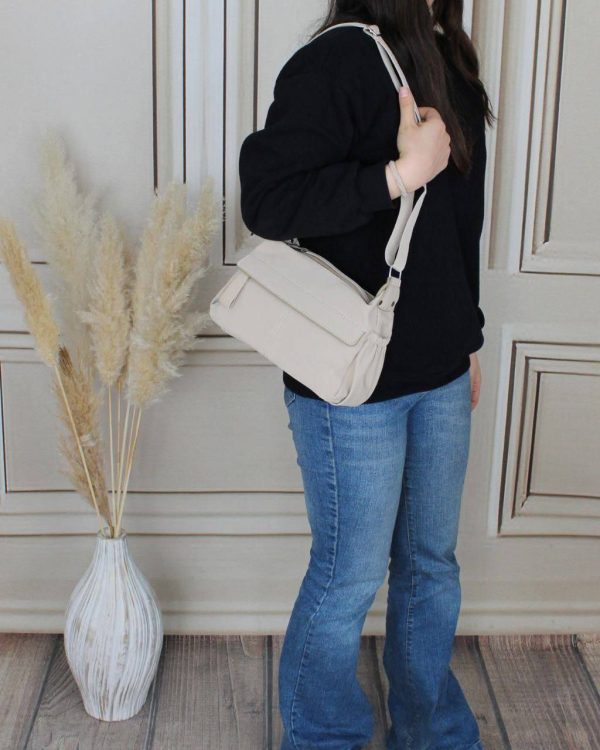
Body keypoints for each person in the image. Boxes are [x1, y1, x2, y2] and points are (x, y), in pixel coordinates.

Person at [239, 1, 495, 748]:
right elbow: (268, 201)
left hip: (439, 371)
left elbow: (458, 223)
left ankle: (431, 729)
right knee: (349, 575)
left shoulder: (449, 62)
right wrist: (398, 174)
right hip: (350, 384)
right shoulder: (336, 60)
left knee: (431, 566)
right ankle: (324, 738)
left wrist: (467, 339)